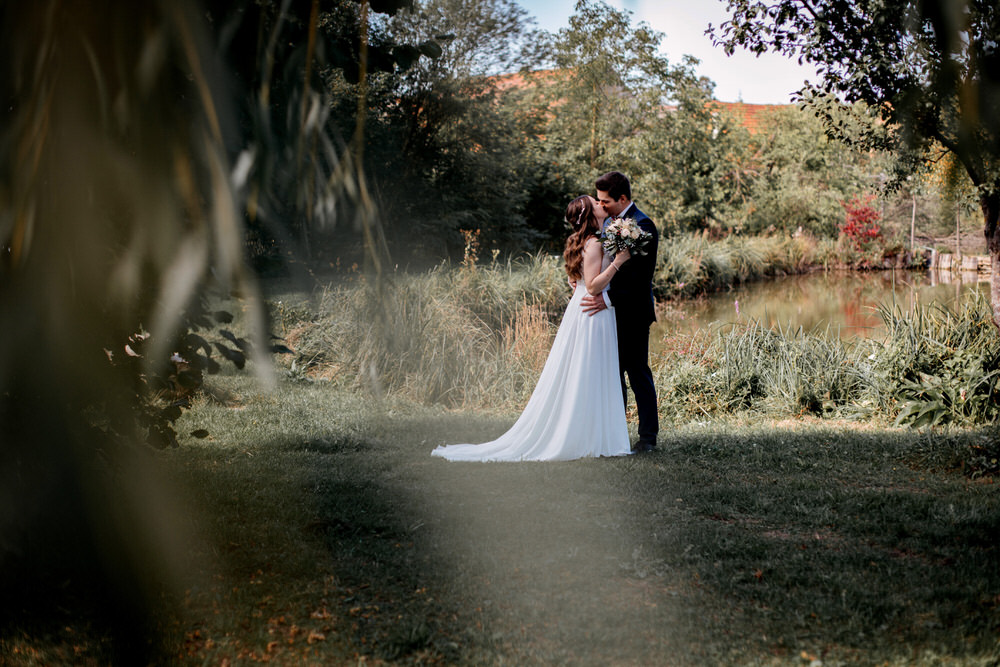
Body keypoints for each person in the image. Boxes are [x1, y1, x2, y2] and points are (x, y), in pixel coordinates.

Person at [432, 195, 632, 462]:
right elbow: (593, 286)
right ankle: (589, 436)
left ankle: (593, 434)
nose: (600, 204)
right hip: (592, 312)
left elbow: (577, 279)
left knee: (586, 371)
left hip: (586, 309)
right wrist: (619, 261)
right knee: (589, 370)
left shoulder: (582, 240)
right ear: (589, 214)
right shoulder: (594, 242)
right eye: (595, 202)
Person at [581, 171, 659, 453]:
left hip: (634, 312)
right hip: (611, 314)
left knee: (637, 373)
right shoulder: (609, 223)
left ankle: (648, 438)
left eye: (605, 201)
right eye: (599, 202)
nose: (601, 206)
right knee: (613, 374)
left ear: (622, 199)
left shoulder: (643, 225)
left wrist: (608, 299)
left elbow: (639, 278)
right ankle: (616, 435)